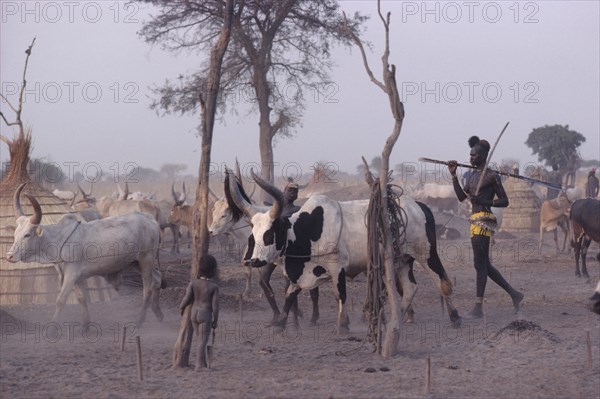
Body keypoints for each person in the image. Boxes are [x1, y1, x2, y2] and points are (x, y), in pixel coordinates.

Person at [448, 135, 524, 319]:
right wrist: (453, 175)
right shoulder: (473, 176)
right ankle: (514, 294)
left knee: (481, 264)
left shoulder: (491, 176)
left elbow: (505, 201)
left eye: (474, 155)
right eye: (470, 155)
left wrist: (483, 200)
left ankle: (478, 308)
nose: (471, 158)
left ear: (483, 156)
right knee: (481, 264)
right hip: (474, 219)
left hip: (485, 218)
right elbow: (461, 197)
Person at [179, 254, 220, 370]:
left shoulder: (193, 283)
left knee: (199, 339)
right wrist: (215, 320)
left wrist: (181, 308)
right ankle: (199, 365)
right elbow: (215, 306)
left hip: (194, 314)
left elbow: (186, 298)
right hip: (205, 315)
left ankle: (203, 363)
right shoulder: (214, 287)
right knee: (202, 340)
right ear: (213, 270)